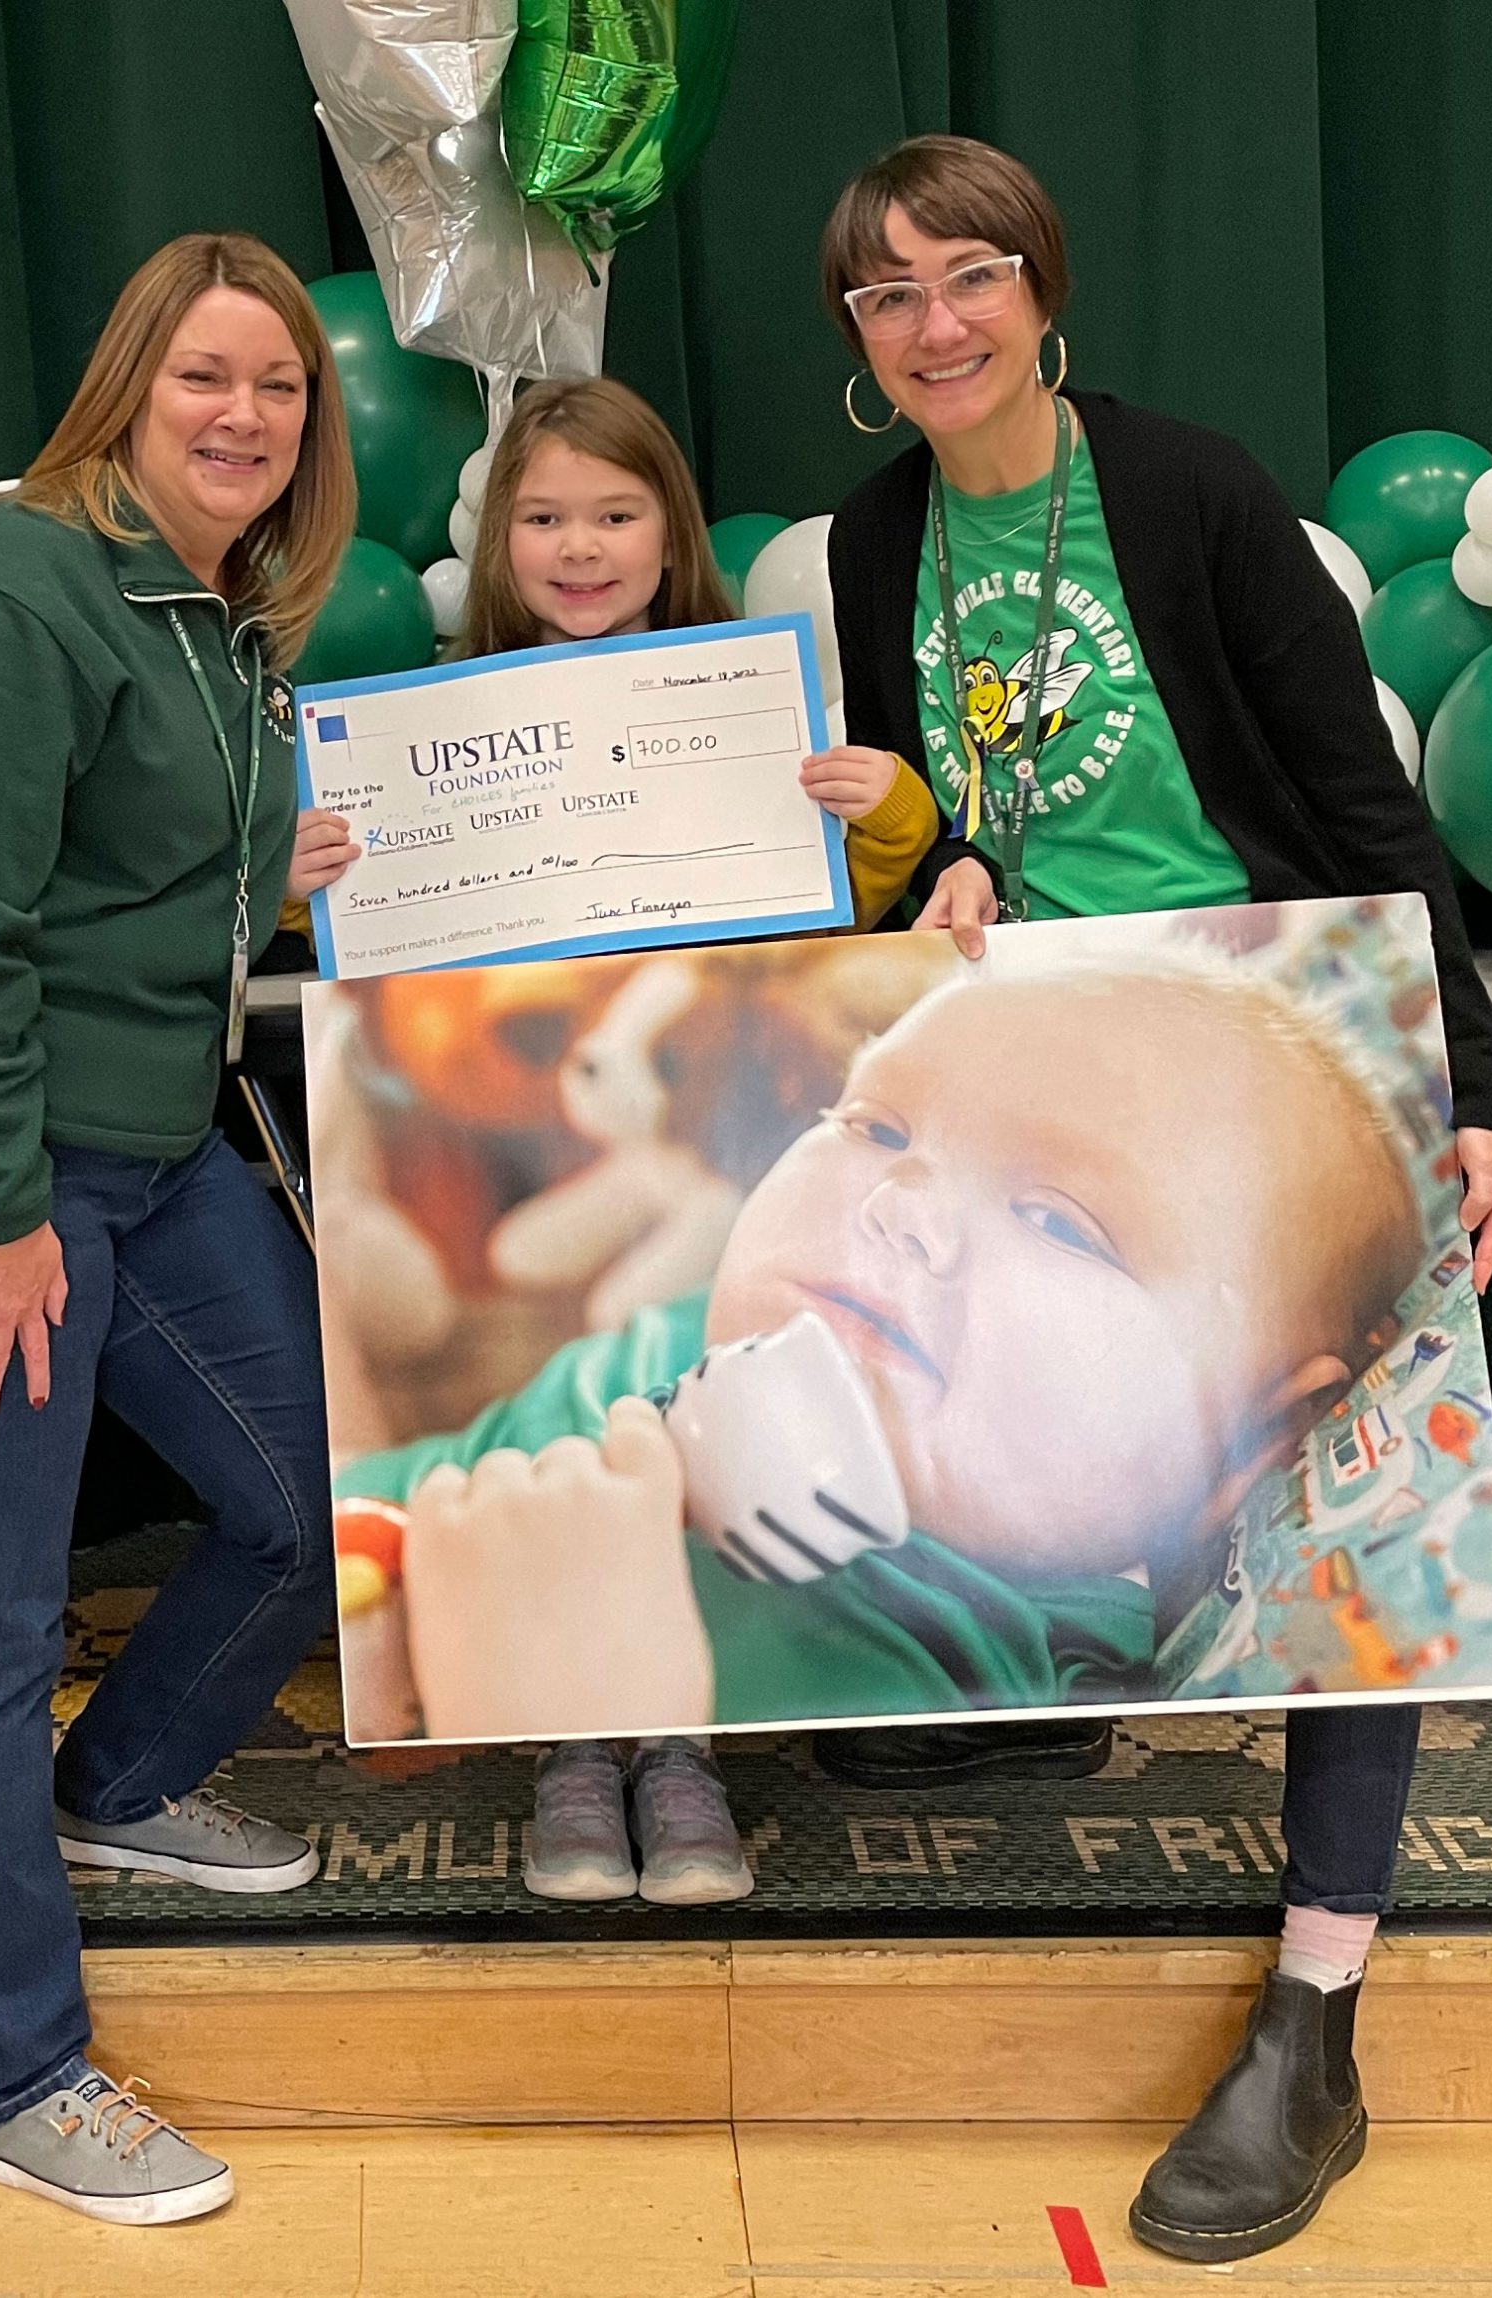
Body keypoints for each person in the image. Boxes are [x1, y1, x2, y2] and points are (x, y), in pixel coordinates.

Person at [809, 134, 1492, 2262]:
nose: (931, 324)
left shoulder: (1193, 492)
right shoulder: (869, 539)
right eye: (883, 295)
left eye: (965, 278)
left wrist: (1457, 1082)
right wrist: (927, 863)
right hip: (1029, 1055)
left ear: (1038, 285)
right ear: (849, 336)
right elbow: (929, 809)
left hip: (1257, 1027)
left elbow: (1350, 800)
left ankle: (1311, 2012)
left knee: (1339, 1520)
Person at [0, 231, 354, 2226]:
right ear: (125, 386)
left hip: (146, 1146)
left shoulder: (205, 615)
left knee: (311, 1494)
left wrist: (254, 871)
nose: (241, 417)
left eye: (277, 386)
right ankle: (13, 2077)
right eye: (203, 377)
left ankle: (115, 1790)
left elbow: (101, 883)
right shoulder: (9, 584)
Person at [339, 946, 1430, 1733]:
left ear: (1251, 1441)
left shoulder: (937, 1635)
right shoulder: (717, 1332)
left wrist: (579, 1719)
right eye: (876, 1128)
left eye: (1060, 1222)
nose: (900, 1201)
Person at [447, 375, 937, 1905]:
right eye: (543, 518)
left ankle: (681, 1750)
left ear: (670, 529)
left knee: (689, 1410)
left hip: (723, 1153)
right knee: (575, 1417)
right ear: (496, 541)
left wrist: (892, 814)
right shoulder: (437, 720)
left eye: (613, 513)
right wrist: (310, 864)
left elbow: (839, 918)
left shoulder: (743, 713)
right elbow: (356, 919)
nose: (579, 547)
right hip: (541, 1159)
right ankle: (578, 1746)